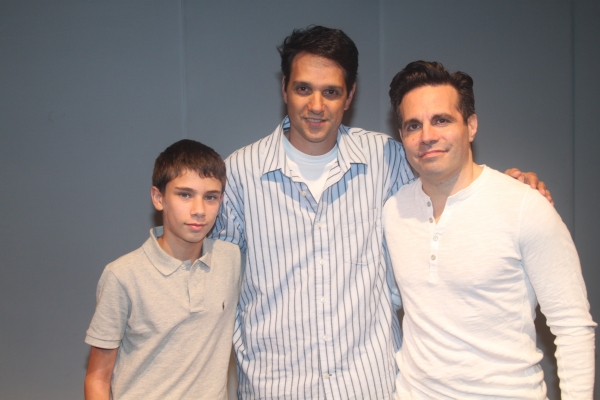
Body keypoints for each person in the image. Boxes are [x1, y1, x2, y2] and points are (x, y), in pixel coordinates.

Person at [213, 26, 550, 399]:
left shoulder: (387, 159)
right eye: (303, 88)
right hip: (274, 389)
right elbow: (212, 283)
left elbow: (451, 182)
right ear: (284, 90)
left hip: (369, 387)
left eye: (331, 92)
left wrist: (510, 185)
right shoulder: (240, 174)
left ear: (350, 95)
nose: (316, 105)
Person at [384, 61, 596, 399]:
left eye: (442, 120)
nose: (427, 136)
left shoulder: (525, 206)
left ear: (471, 126)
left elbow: (573, 327)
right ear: (402, 136)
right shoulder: (393, 212)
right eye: (413, 125)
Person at [84, 139, 242, 400]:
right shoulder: (122, 275)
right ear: (159, 198)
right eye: (185, 195)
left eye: (210, 197)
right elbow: (97, 378)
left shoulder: (230, 259)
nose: (199, 210)